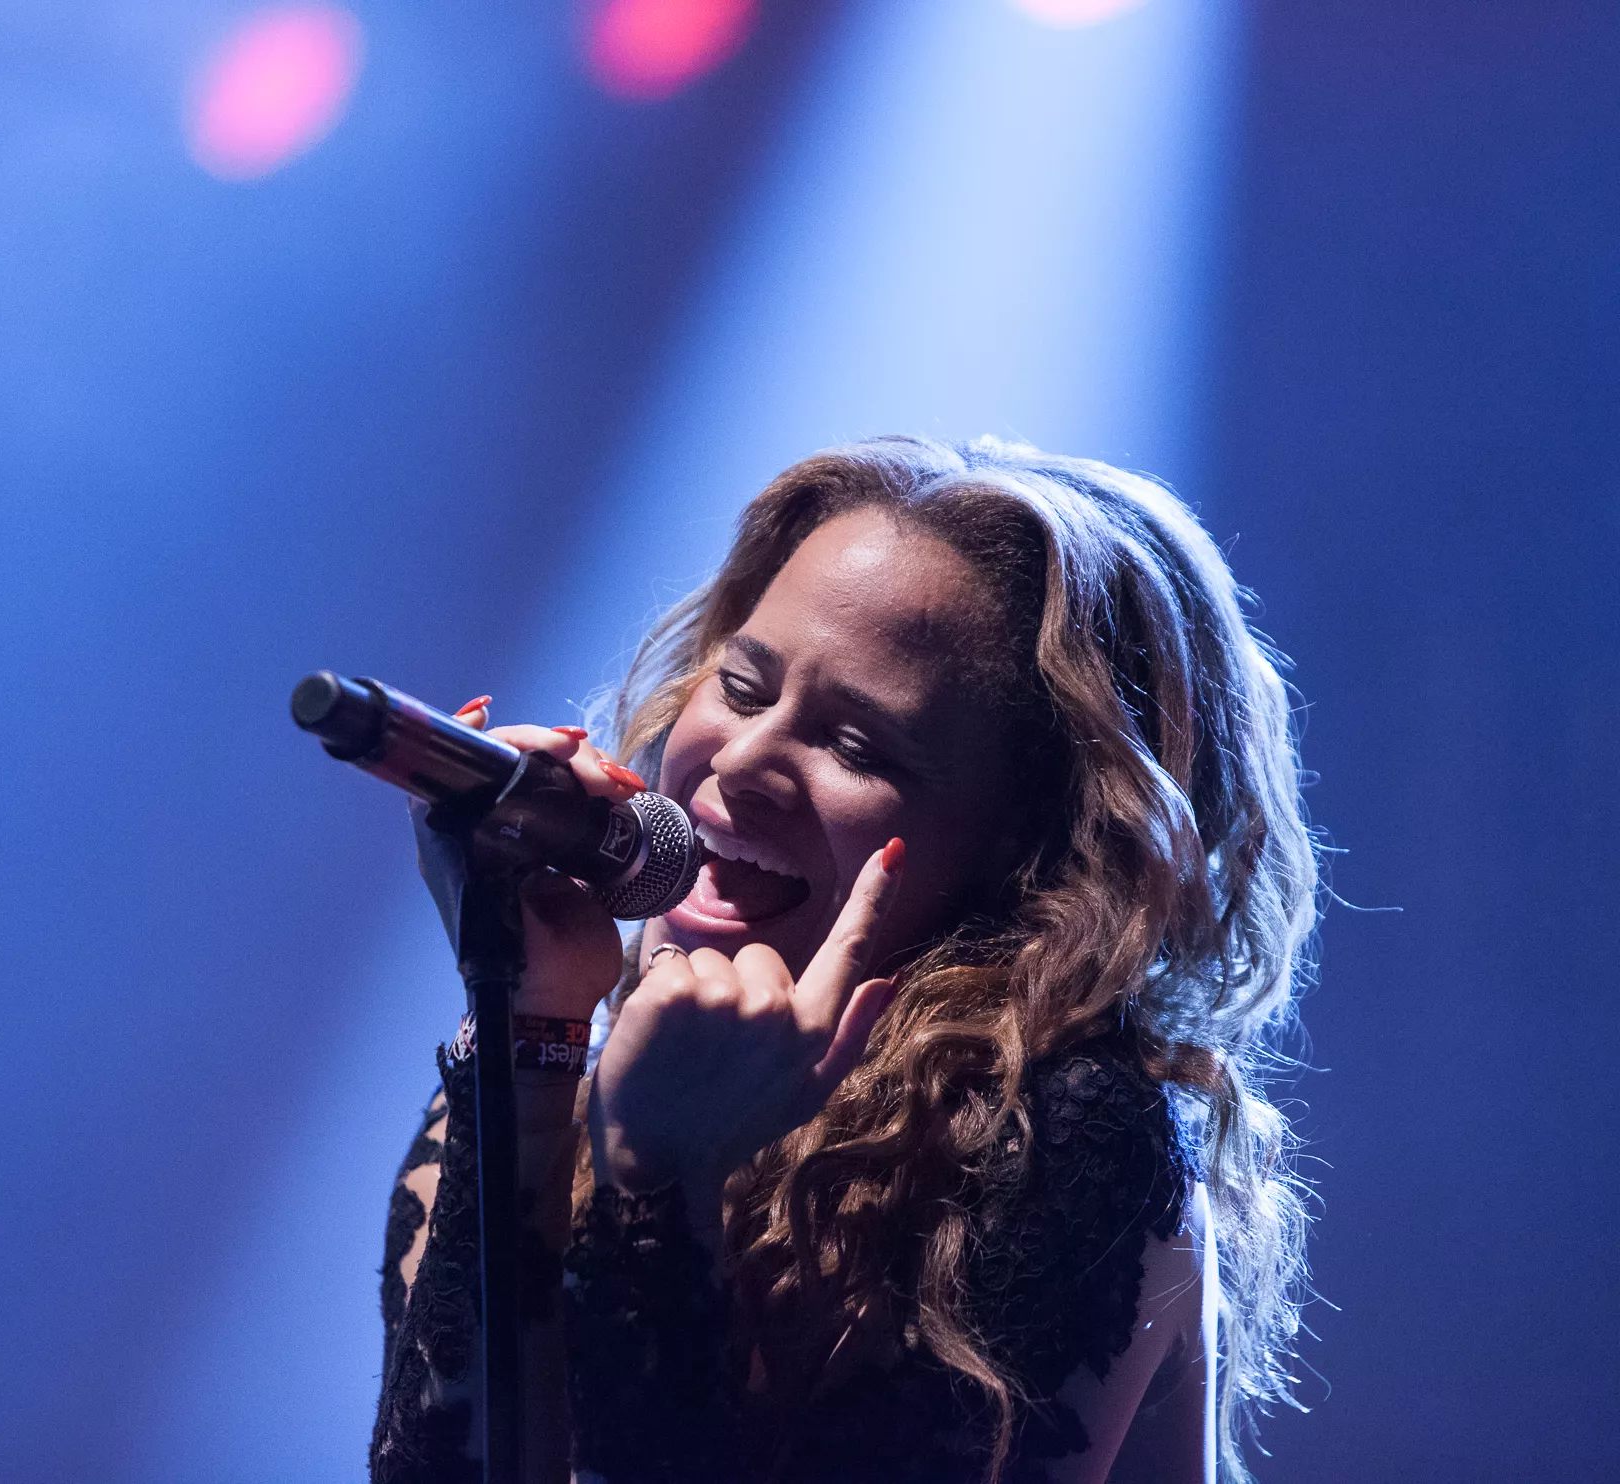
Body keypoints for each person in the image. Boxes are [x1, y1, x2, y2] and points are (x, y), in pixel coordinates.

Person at [370, 436, 1315, 1484]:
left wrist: (661, 1181)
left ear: (1026, 848)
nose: (742, 761)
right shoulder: (541, 1087)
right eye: (741, 686)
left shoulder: (1067, 1140)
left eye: (855, 745)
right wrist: (528, 1027)